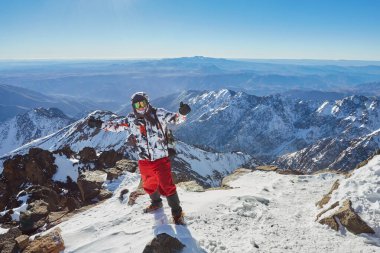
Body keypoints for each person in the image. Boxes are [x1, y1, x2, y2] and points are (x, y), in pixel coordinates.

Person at [87, 92, 191, 225]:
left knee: (167, 185)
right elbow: (116, 126)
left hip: (160, 158)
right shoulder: (131, 119)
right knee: (149, 183)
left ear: (147, 102)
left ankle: (177, 213)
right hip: (144, 159)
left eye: (143, 103)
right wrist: (99, 124)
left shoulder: (159, 114)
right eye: (137, 104)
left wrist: (182, 113)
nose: (140, 107)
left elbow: (175, 119)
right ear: (133, 106)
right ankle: (156, 203)